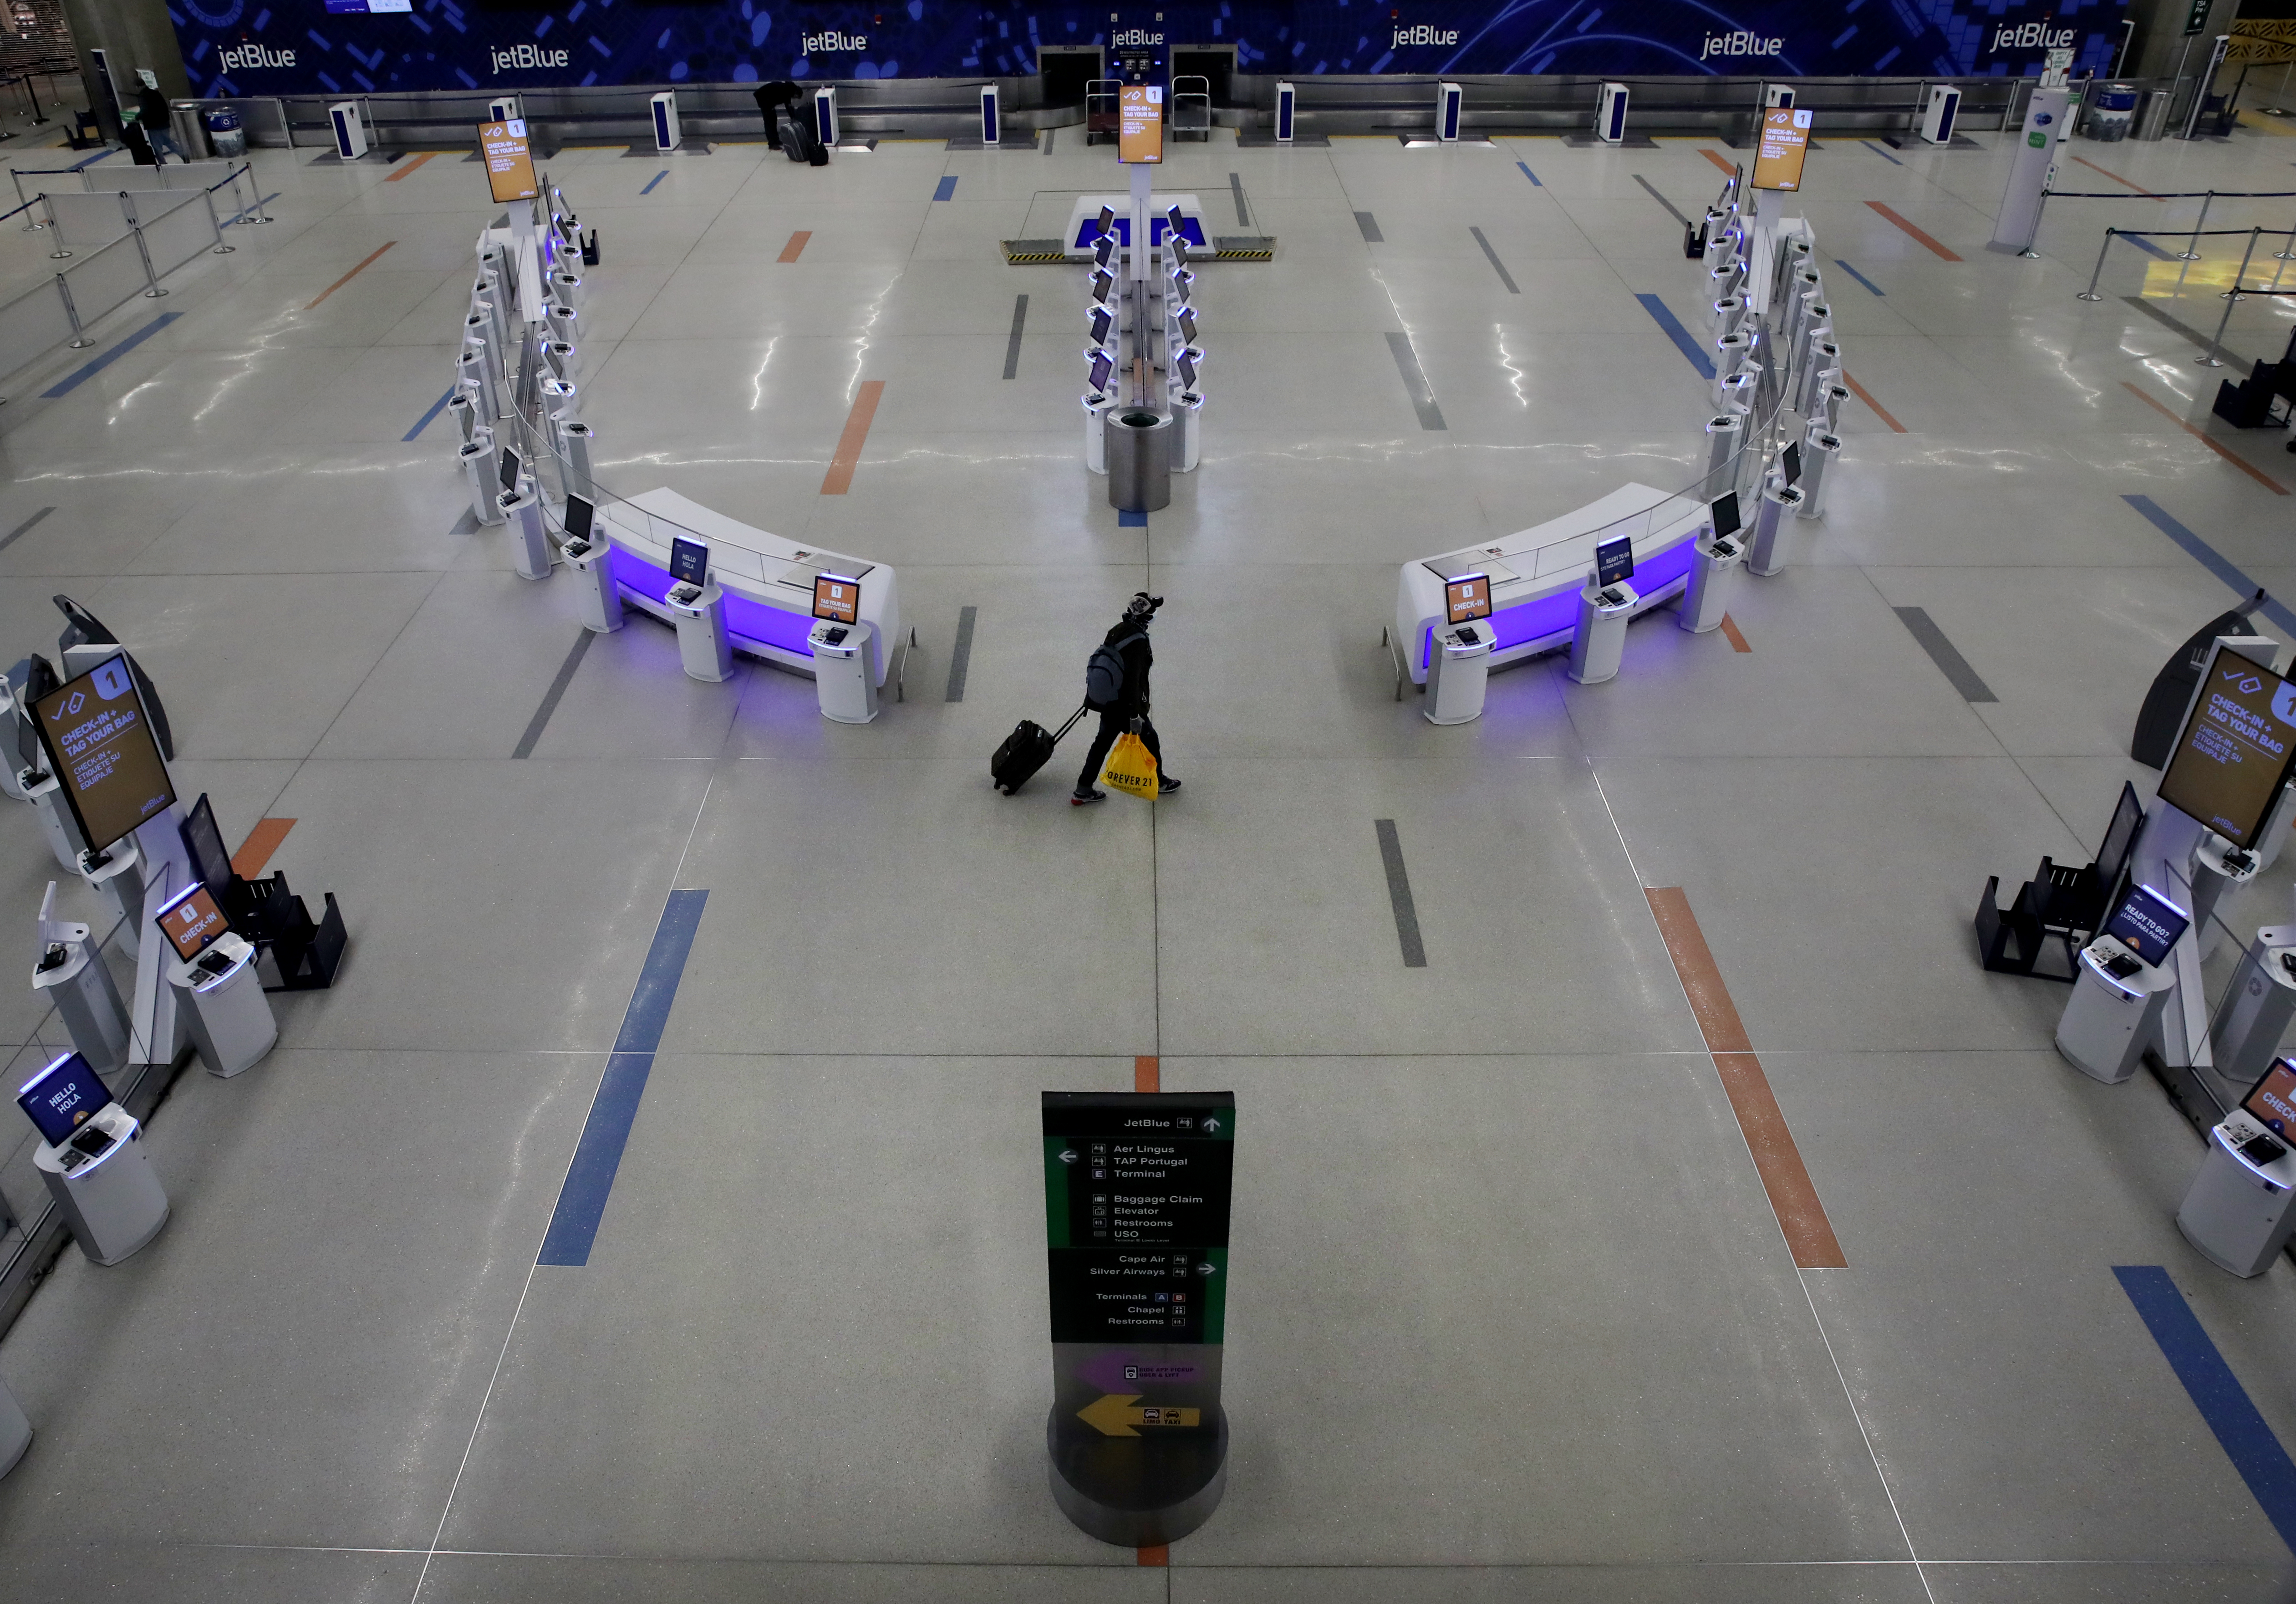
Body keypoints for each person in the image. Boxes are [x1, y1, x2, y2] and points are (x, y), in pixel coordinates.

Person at [1073, 592, 1181, 805]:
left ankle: (1083, 789)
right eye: (1153, 610)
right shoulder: (1139, 640)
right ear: (1146, 616)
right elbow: (1133, 679)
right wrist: (1134, 715)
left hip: (1110, 702)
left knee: (1101, 743)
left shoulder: (1116, 630)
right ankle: (1159, 782)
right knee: (1151, 740)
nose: (1155, 614)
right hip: (1126, 706)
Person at [133, 73, 183, 163]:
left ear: (137, 87)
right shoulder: (156, 93)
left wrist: (137, 118)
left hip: (154, 125)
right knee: (168, 141)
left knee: (157, 146)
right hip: (165, 123)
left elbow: (145, 111)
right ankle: (184, 155)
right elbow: (164, 106)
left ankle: (163, 164)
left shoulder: (143, 96)